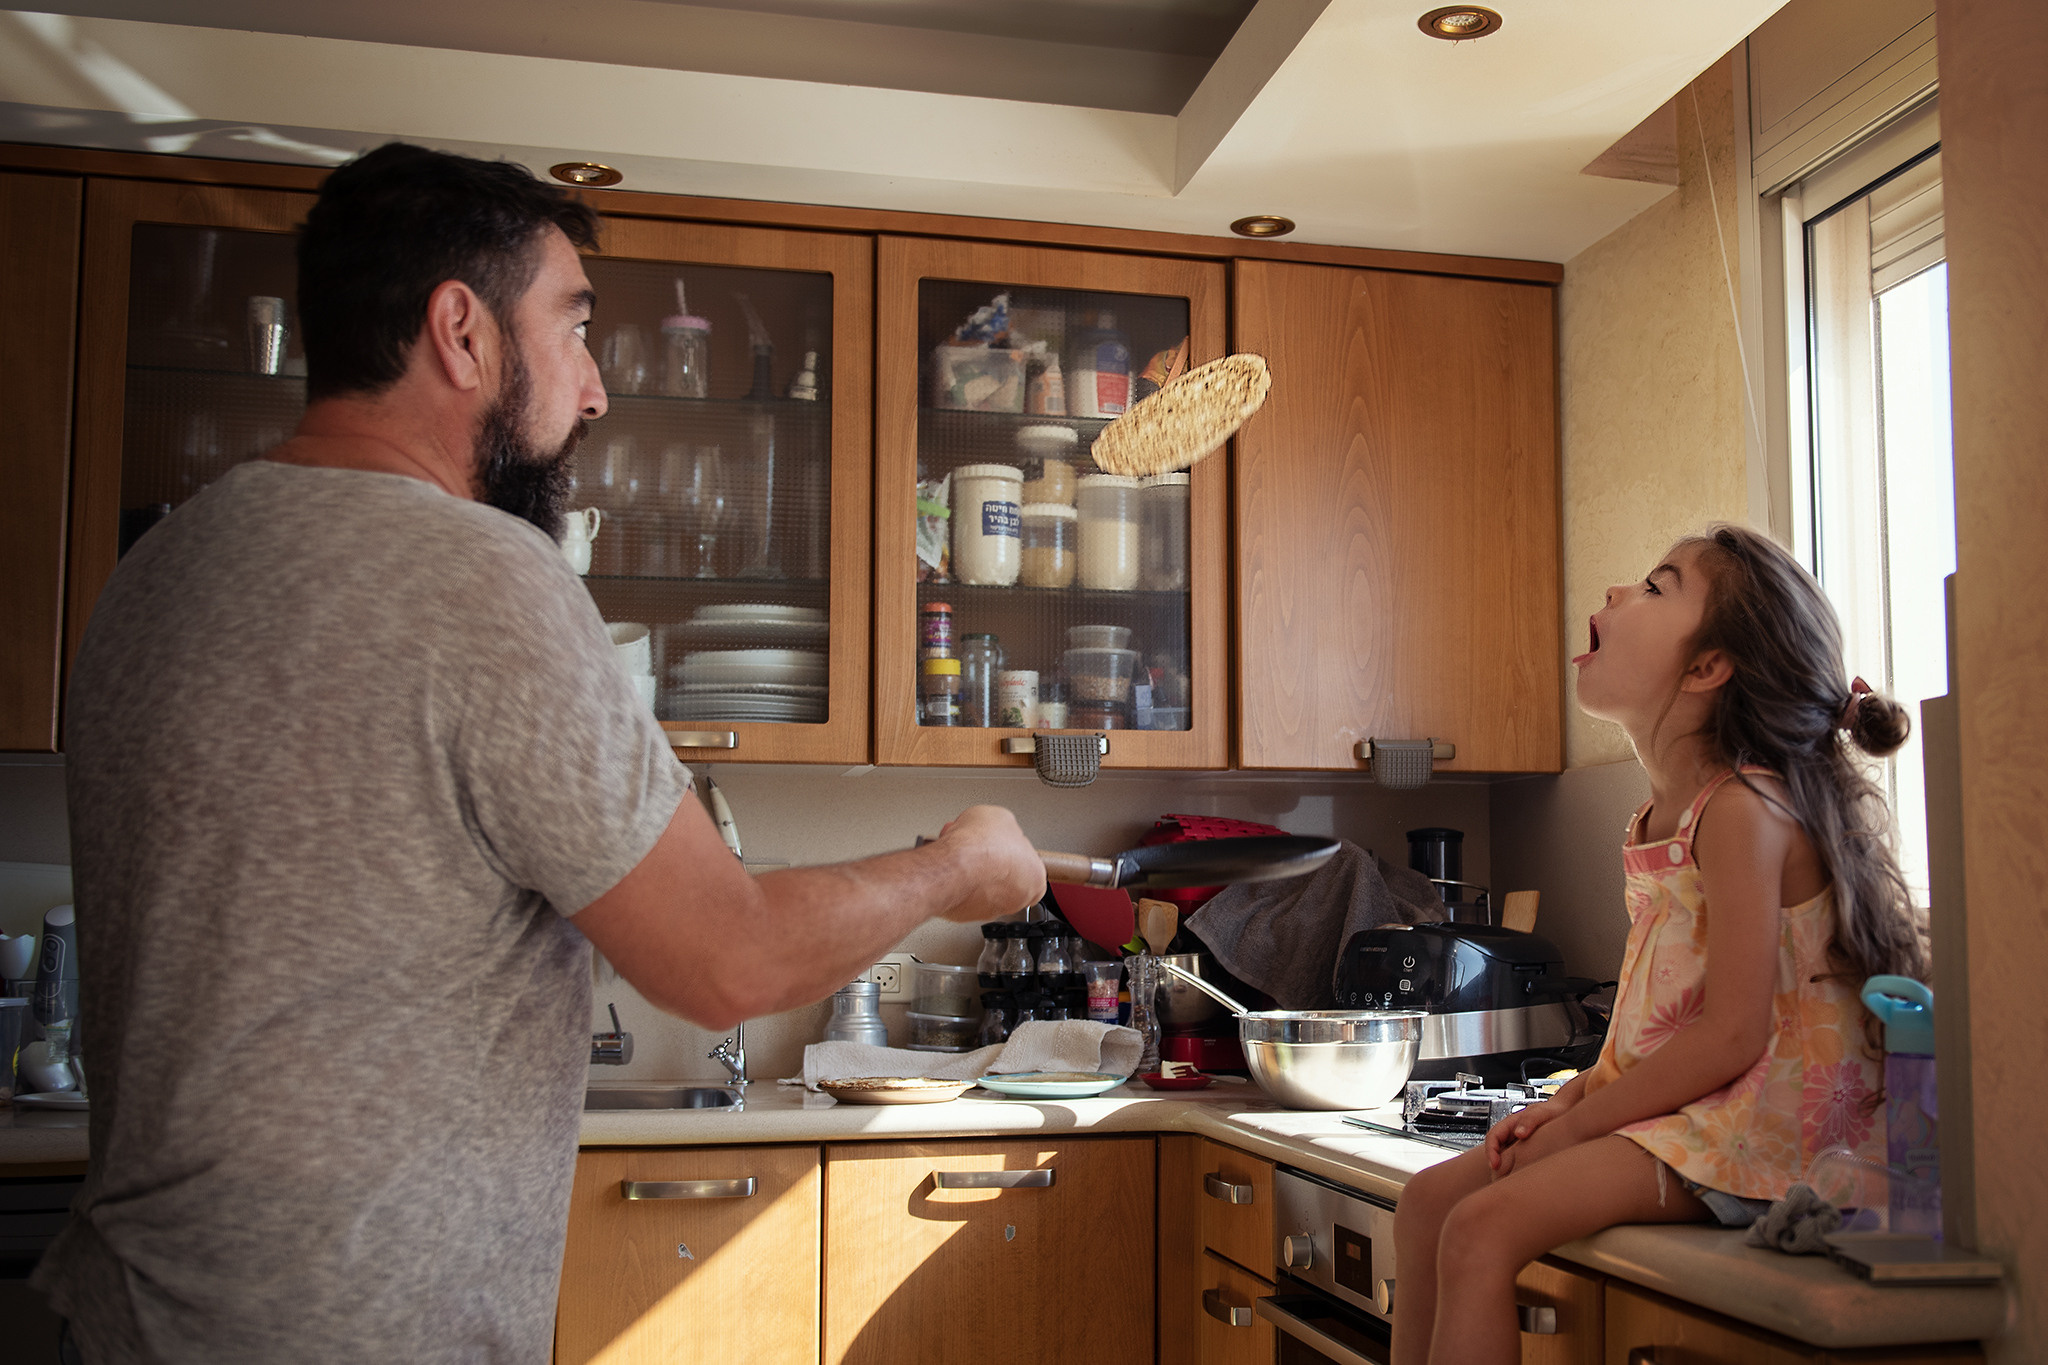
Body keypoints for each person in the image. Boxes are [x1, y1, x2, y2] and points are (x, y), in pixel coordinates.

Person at [37, 142, 1043, 1364]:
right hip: (352, 1331)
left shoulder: (154, 571)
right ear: (460, 333)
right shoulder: (476, 574)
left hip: (130, 1316)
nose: (597, 389)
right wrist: (957, 867)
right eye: (572, 326)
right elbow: (726, 959)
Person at [1390, 524, 1926, 1365]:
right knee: (1425, 1203)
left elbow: (1732, 1033)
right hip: (1696, 1118)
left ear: (1709, 668)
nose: (1614, 593)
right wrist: (1567, 1104)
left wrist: (1575, 1129)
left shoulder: (1746, 808)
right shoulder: (1667, 816)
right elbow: (1657, 1023)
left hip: (1761, 1137)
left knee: (1479, 1229)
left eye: (1655, 584)